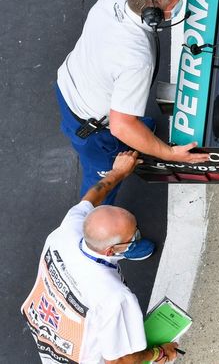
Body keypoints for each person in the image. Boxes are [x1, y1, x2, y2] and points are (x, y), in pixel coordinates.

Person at [56, 0, 210, 207]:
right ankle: (97, 233)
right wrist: (169, 154)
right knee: (104, 182)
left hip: (71, 84)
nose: (177, 6)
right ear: (154, 14)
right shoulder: (136, 57)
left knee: (134, 125)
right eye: (174, 4)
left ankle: (141, 138)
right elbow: (120, 125)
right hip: (94, 130)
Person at [21, 151, 180, 363]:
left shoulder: (66, 231)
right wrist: (160, 353)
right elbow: (121, 361)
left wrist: (118, 172)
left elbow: (91, 198)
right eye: (134, 236)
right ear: (111, 250)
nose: (137, 236)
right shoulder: (114, 297)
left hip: (55, 344)